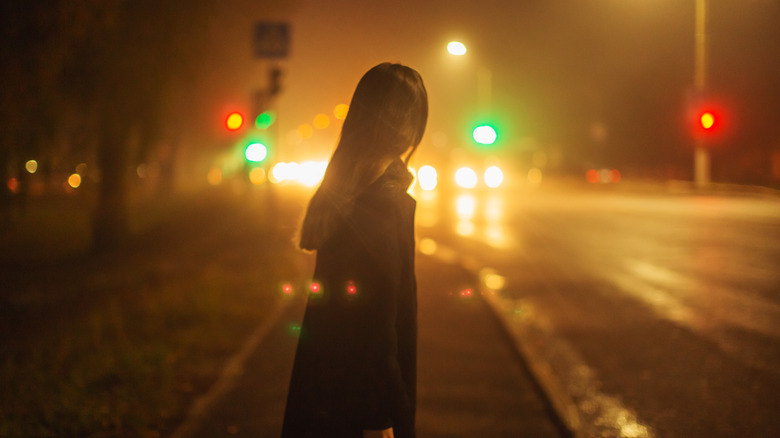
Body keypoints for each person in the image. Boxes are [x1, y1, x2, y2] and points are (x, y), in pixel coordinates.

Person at [281, 62, 428, 438]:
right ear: (407, 127)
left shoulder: (345, 196)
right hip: (361, 413)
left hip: (323, 399)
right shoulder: (386, 204)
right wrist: (385, 419)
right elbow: (379, 328)